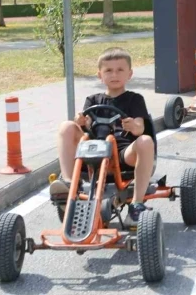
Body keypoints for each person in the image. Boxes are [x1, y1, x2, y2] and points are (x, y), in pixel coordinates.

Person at [49, 47, 155, 223]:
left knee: (145, 141)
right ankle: (68, 184)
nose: (114, 75)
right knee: (66, 126)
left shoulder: (134, 99)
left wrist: (133, 126)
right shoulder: (93, 100)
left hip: (122, 154)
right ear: (100, 75)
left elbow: (140, 128)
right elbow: (83, 127)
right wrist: (80, 122)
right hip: (93, 152)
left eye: (120, 70)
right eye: (108, 71)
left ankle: (137, 204)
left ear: (129, 74)